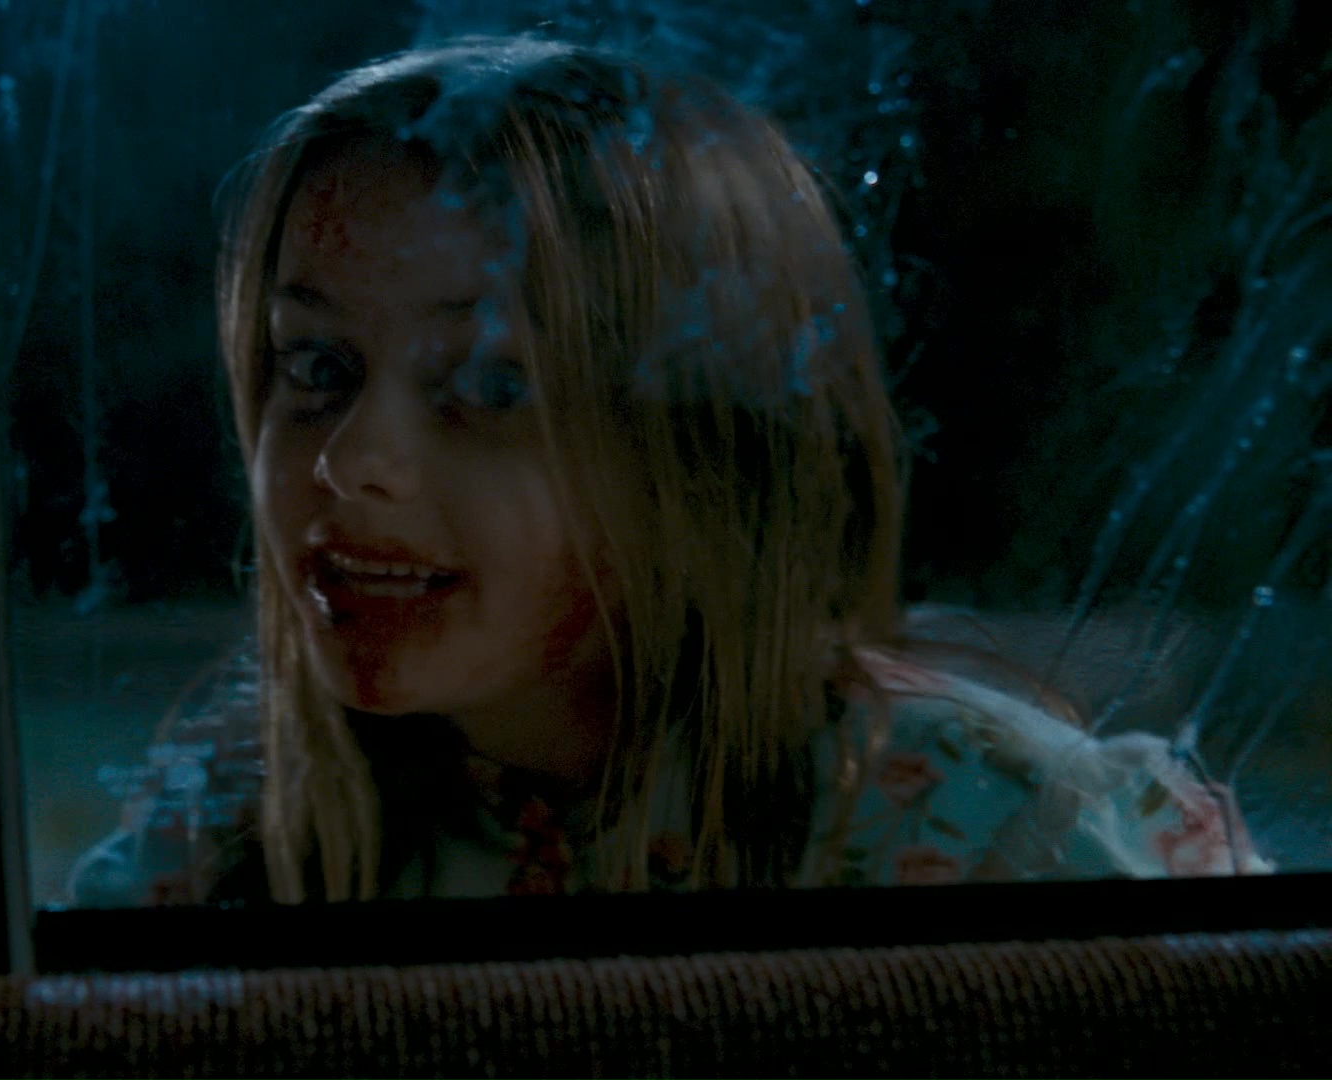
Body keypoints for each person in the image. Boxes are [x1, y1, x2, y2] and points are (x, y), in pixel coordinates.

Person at [65, 35, 1270, 908]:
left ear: (699, 447)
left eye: (493, 386)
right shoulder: (227, 846)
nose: (352, 463)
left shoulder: (998, 834)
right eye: (316, 366)